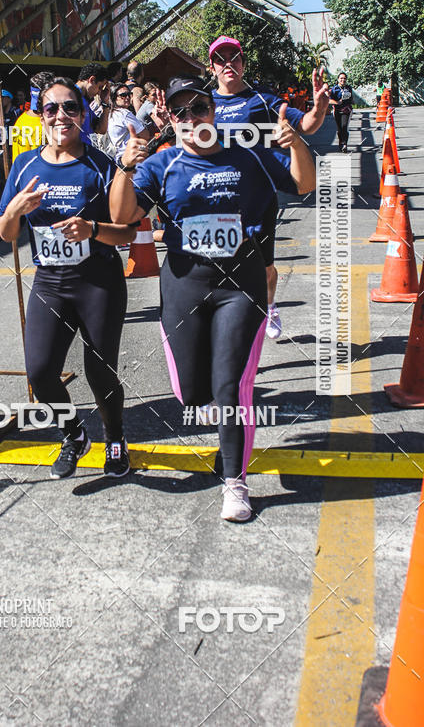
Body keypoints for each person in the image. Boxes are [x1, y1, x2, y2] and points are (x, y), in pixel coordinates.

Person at [110, 75, 316, 521]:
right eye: (181, 112)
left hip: (240, 285)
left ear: (213, 112)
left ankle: (235, 483)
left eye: (199, 108)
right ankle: (206, 402)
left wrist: (296, 142)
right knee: (190, 392)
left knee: (231, 387)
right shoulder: (162, 164)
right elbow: (122, 216)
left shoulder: (249, 157)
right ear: (171, 118)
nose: (191, 118)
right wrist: (125, 167)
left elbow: (302, 184)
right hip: (185, 286)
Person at [0, 76, 137, 479]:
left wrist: (92, 229)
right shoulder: (24, 165)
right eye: (51, 109)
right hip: (51, 283)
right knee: (40, 371)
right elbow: (6, 232)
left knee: (99, 371)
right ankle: (73, 433)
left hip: (98, 282)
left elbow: (128, 232)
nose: (61, 115)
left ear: (83, 114)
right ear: (41, 116)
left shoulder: (100, 165)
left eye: (70, 107)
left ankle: (114, 438)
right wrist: (15, 210)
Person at [209, 35, 329, 339]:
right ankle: (228, 328)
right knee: (217, 268)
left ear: (243, 63)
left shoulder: (262, 99)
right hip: (217, 199)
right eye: (221, 60)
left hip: (258, 197)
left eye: (233, 58)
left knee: (264, 266)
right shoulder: (203, 102)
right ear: (212, 67)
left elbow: (306, 126)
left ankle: (270, 304)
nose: (228, 64)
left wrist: (319, 108)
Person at [107, 83, 150, 161]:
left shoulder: (109, 114)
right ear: (114, 97)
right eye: (123, 95)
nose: (127, 97)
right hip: (132, 157)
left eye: (129, 94)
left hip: (117, 159)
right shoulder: (125, 113)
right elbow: (146, 135)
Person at [76, 63, 110, 141]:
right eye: (100, 87)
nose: (99, 92)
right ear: (92, 80)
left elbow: (101, 129)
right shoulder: (70, 97)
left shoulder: (84, 100)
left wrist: (105, 103)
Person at [329, 72, 354, 152]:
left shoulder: (349, 88)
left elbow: (351, 98)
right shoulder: (334, 89)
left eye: (344, 78)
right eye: (341, 78)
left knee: (344, 126)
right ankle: (341, 141)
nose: (343, 80)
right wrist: (337, 102)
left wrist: (351, 101)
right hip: (337, 110)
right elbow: (329, 100)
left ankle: (345, 144)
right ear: (338, 79)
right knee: (339, 129)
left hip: (346, 110)